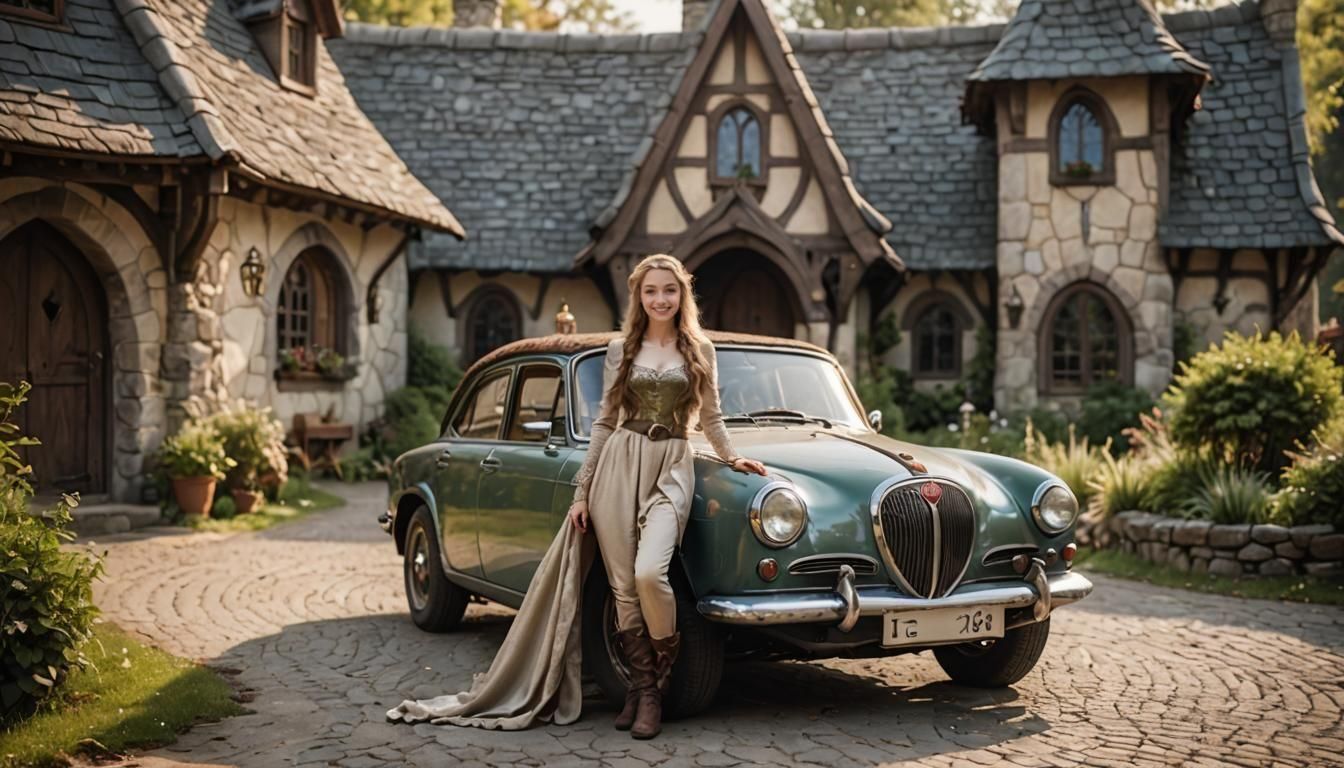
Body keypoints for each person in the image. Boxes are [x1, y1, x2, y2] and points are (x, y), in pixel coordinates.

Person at [386, 254, 766, 738]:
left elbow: (711, 418)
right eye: (650, 291)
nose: (660, 299)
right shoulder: (620, 349)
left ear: (682, 294)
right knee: (623, 586)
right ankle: (643, 690)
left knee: (651, 573)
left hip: (671, 465)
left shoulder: (700, 350)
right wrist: (582, 492)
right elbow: (604, 423)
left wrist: (732, 458)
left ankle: (658, 679)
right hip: (616, 467)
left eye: (668, 290)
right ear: (639, 296)